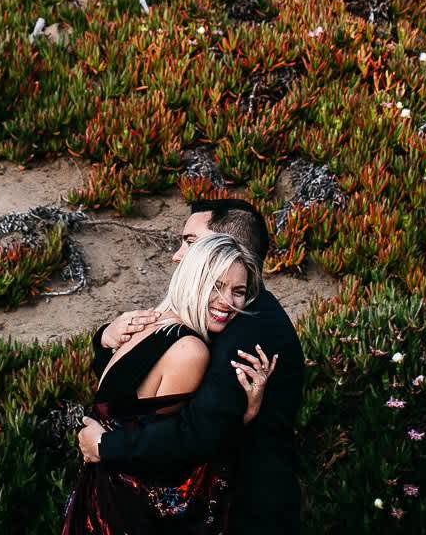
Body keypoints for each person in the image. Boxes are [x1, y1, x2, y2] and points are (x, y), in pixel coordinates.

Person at [79, 200, 306, 534]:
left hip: (249, 511)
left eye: (191, 242)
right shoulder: (186, 327)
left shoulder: (244, 329)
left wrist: (106, 445)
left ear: (225, 249)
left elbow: (196, 433)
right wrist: (105, 340)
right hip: (135, 501)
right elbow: (134, 397)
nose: (179, 255)